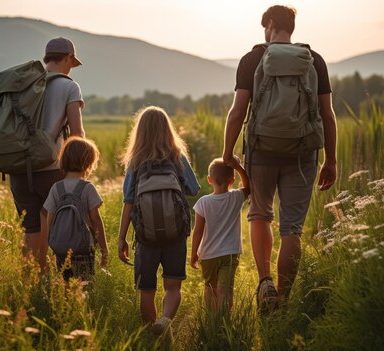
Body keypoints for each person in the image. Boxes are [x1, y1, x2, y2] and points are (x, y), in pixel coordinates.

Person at [222, 5, 338, 311]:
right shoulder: (315, 61)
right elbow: (327, 114)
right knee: (292, 229)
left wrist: (227, 152)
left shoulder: (252, 59)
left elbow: (238, 112)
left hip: (261, 149)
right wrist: (331, 159)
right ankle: (284, 302)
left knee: (260, 214)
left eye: (265, 26)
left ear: (271, 24)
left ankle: (265, 284)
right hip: (303, 152)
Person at [117, 106, 200, 337]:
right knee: (173, 287)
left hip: (146, 236)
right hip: (176, 233)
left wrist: (122, 238)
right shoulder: (177, 156)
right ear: (167, 129)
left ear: (139, 132)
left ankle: (155, 335)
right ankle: (165, 321)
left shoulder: (135, 161)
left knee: (146, 290)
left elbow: (128, 201)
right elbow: (193, 189)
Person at [9, 37, 85, 271]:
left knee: (30, 230)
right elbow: (77, 135)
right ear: (69, 58)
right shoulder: (69, 86)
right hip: (51, 169)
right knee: (54, 225)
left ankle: (32, 285)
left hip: (19, 168)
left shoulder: (24, 83)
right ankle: (54, 285)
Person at [43, 137, 108, 281]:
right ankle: (81, 303)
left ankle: (67, 303)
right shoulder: (88, 188)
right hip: (84, 249)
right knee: (85, 285)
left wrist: (53, 244)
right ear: (88, 163)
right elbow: (95, 220)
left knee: (64, 284)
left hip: (61, 249)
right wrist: (104, 249)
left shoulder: (56, 188)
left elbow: (50, 220)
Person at [190, 157, 250, 312]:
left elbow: (198, 231)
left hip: (208, 254)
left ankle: (212, 321)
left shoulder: (203, 202)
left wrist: (194, 253)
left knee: (210, 287)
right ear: (232, 180)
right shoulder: (236, 197)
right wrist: (238, 167)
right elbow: (248, 186)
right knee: (225, 289)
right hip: (229, 254)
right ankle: (223, 322)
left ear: (209, 179)